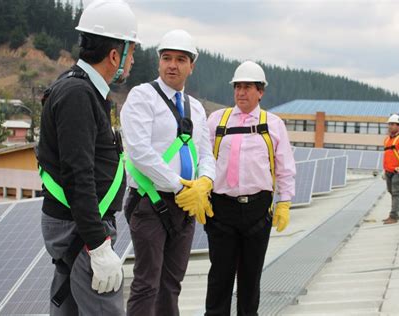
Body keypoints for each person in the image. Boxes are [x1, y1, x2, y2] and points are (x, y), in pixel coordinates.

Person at [36, 1, 140, 315]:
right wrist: (97, 244)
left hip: (81, 224)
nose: (132, 61)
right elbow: (78, 174)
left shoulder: (86, 91)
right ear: (114, 55)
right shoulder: (78, 95)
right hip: (81, 227)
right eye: (131, 52)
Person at [121, 29, 216, 316]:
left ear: (191, 66)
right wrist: (180, 186)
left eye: (180, 59)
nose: (172, 64)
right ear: (159, 62)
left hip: (186, 206)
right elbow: (139, 152)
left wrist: (205, 182)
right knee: (147, 283)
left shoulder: (196, 108)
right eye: (166, 58)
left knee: (172, 283)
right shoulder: (142, 97)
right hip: (151, 202)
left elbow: (205, 153)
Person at [205, 61, 296, 315]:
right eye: (238, 87)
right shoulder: (216, 120)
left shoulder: (273, 124)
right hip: (221, 210)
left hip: (257, 211)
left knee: (250, 277)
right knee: (219, 277)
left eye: (247, 87)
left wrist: (285, 202)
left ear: (260, 91)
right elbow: (203, 158)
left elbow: (285, 166)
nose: (241, 92)